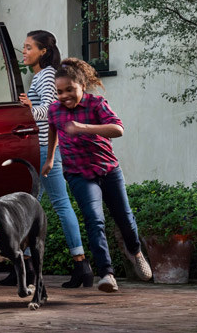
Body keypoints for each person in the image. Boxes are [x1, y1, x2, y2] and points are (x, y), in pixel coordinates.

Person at [42, 57, 153, 293]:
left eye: (70, 90)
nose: (64, 96)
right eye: (60, 91)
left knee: (124, 218)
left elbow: (118, 129)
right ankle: (107, 274)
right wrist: (51, 158)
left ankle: (136, 252)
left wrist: (85, 128)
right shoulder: (55, 110)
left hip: (108, 170)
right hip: (78, 174)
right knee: (94, 219)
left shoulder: (96, 105)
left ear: (82, 85)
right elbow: (53, 129)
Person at [12, 31, 92, 289]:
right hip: (40, 147)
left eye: (28, 47)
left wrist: (28, 109)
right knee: (30, 205)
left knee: (59, 204)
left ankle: (81, 265)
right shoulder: (39, 76)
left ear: (43, 51)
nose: (23, 52)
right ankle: (25, 267)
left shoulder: (46, 75)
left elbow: (50, 110)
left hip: (46, 148)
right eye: (23, 47)